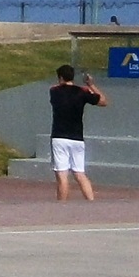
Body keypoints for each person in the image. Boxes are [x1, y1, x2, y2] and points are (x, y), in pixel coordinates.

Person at [49, 65, 108, 201]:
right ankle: (91, 202)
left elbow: (57, 88)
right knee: (80, 173)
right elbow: (103, 101)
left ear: (60, 78)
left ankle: (62, 206)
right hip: (77, 138)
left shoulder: (54, 91)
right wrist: (91, 85)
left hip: (59, 137)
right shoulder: (82, 91)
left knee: (62, 175)